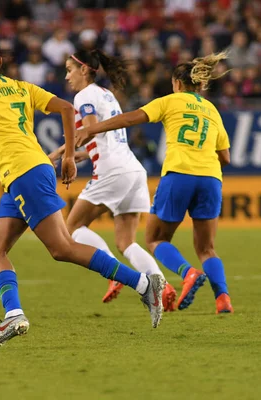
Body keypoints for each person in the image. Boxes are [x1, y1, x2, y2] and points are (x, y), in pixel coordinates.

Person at [0, 36, 166, 349]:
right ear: (0, 62)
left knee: (63, 248)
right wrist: (68, 155)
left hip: (24, 173)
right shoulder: (20, 87)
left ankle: (143, 283)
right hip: (23, 174)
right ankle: (14, 314)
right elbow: (67, 108)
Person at [76, 51, 234, 314]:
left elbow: (130, 118)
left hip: (179, 175)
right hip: (211, 179)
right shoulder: (212, 110)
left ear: (178, 84)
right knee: (207, 248)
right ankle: (223, 299)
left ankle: (188, 273)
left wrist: (91, 129)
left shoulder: (171, 102)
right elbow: (225, 157)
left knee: (155, 239)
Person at [48, 49, 177, 310]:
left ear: (84, 70)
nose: (67, 76)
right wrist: (82, 153)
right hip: (132, 170)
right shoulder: (107, 94)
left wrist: (67, 152)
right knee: (127, 242)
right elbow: (104, 137)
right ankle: (163, 288)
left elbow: (90, 126)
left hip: (111, 171)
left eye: (70, 70)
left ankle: (114, 274)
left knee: (71, 230)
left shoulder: (84, 94)